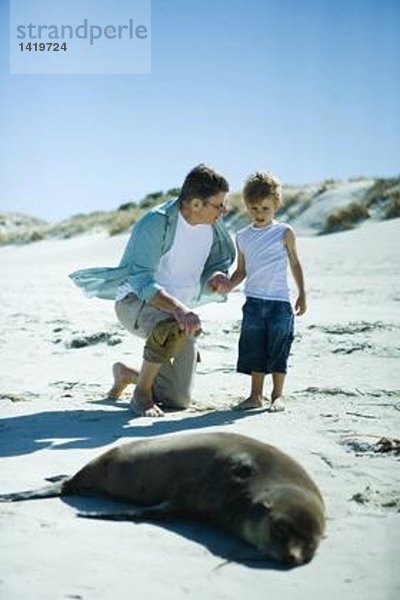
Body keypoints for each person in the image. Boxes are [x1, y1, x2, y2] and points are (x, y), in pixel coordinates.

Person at [69, 164, 235, 417]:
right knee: (171, 321)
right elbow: (142, 283)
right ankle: (141, 395)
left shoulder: (213, 226)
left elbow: (216, 262)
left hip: (180, 314)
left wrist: (216, 275)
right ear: (196, 204)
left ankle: (127, 375)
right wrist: (180, 310)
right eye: (218, 205)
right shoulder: (155, 223)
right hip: (134, 302)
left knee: (177, 399)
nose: (223, 211)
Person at [221, 171, 306, 412]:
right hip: (254, 303)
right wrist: (229, 284)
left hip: (280, 302)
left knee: (279, 347)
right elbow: (241, 270)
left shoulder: (284, 232)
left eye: (265, 209)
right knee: (255, 348)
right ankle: (255, 395)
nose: (259, 214)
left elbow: (295, 264)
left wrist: (302, 294)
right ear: (247, 206)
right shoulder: (243, 236)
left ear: (276, 205)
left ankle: (277, 395)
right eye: (254, 208)